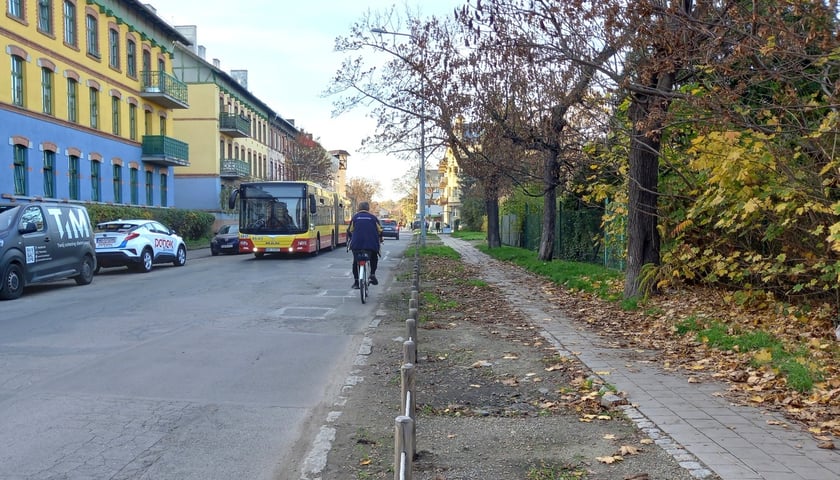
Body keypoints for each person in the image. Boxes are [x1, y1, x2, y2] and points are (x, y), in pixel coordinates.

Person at [347, 201, 383, 289]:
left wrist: (352, 238)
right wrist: (380, 239)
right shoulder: (373, 218)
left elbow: (349, 230)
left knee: (356, 262)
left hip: (357, 245)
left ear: (359, 208)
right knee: (374, 257)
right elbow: (380, 230)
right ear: (368, 209)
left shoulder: (355, 218)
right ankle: (372, 274)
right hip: (371, 245)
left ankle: (356, 282)